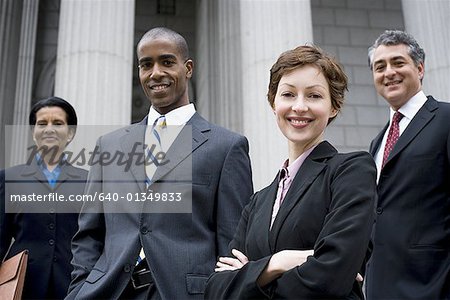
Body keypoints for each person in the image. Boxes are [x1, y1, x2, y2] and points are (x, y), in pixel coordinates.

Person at [66, 27, 253, 299]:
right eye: (146, 65)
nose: (155, 73)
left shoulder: (227, 146)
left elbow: (233, 243)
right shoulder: (108, 145)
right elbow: (89, 234)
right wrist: (79, 290)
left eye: (167, 62)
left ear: (188, 68)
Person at [204, 45, 377, 299]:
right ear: (274, 103)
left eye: (314, 96)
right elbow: (216, 289)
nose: (299, 106)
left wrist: (251, 276)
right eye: (288, 94)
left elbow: (330, 279)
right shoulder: (258, 202)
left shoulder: (351, 171)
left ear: (334, 107)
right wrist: (280, 262)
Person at [364, 30, 450, 299]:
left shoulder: (446, 119)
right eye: (380, 67)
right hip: (381, 286)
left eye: (398, 63)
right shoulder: (377, 143)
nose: (388, 72)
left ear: (420, 68)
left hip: (434, 284)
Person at [0, 97, 87, 299]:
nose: (49, 129)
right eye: (42, 123)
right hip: (22, 285)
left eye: (58, 123)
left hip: (73, 285)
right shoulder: (9, 178)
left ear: (70, 133)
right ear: (33, 132)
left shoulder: (89, 181)